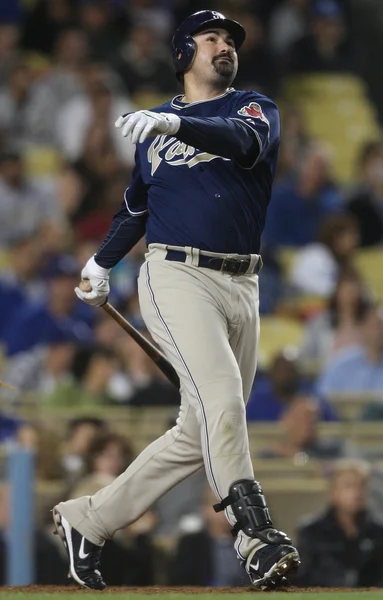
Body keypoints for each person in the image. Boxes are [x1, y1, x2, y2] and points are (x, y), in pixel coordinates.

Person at [52, 10, 300, 591]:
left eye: (231, 40)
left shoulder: (252, 108)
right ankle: (254, 535)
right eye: (211, 38)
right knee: (222, 401)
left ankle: (87, 520)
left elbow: (244, 145)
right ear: (184, 52)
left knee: (199, 431)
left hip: (244, 283)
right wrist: (100, 262)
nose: (225, 46)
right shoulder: (157, 130)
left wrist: (173, 124)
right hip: (175, 275)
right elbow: (137, 207)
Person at [293, 459, 383, 587]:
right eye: (349, 486)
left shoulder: (382, 532)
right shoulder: (311, 531)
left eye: (362, 485)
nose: (357, 492)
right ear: (334, 492)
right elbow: (301, 576)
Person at [317, 304, 383, 402]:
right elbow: (321, 399)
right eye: (376, 325)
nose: (380, 331)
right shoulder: (341, 365)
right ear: (362, 328)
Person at [300, 268, 371, 366]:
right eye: (347, 290)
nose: (351, 296)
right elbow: (306, 358)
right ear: (337, 292)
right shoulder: (319, 324)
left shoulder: (371, 325)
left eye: (355, 290)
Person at [289, 213, 359, 298]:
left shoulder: (345, 262)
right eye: (348, 237)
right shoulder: (314, 254)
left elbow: (364, 293)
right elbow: (314, 286)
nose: (353, 242)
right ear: (334, 238)